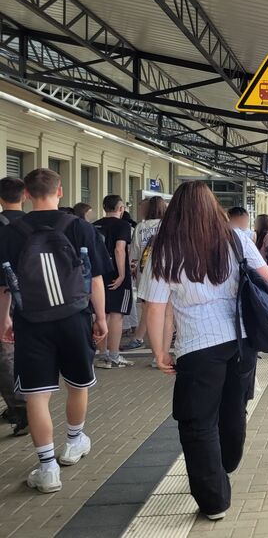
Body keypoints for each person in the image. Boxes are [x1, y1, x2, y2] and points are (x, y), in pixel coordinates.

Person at [144, 181, 268, 520]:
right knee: (233, 407)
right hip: (241, 339)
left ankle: (214, 501)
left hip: (197, 346)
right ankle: (225, 464)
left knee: (197, 421)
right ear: (214, 206)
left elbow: (155, 307)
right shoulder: (236, 238)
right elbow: (266, 274)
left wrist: (159, 352)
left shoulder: (165, 248)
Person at [0, 168, 110, 494]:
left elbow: (5, 285)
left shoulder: (9, 233)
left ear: (27, 194)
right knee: (78, 383)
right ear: (60, 191)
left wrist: (5, 319)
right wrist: (101, 317)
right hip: (75, 316)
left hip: (31, 321)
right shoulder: (80, 227)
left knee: (36, 395)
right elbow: (95, 279)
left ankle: (48, 469)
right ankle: (74, 442)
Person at [93, 195, 135, 369]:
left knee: (101, 313)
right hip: (115, 273)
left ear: (104, 208)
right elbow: (119, 249)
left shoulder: (94, 225)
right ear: (120, 208)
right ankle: (114, 356)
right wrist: (122, 274)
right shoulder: (123, 225)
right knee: (117, 314)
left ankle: (102, 356)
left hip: (97, 273)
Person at [122, 196, 168, 354]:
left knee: (148, 307)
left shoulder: (141, 227)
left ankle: (141, 339)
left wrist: (131, 269)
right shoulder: (168, 225)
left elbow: (134, 254)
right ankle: (157, 344)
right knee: (165, 309)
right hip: (166, 271)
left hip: (145, 272)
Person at [0, 177, 27, 436]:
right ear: (25, 196)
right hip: (33, 299)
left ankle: (21, 408)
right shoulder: (34, 225)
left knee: (5, 354)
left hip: (5, 298)